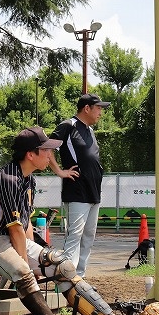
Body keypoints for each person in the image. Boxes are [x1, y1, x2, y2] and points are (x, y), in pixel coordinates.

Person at [0, 126, 141, 315]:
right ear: (30, 155)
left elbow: (24, 223)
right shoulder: (8, 178)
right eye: (46, 150)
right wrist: (28, 264)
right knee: (23, 272)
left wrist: (34, 256)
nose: (51, 155)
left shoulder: (28, 179)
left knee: (62, 265)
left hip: (11, 237)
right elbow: (14, 228)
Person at [48, 93, 108, 278]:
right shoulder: (68, 125)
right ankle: (67, 279)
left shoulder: (90, 130)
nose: (101, 112)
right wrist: (60, 171)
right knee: (74, 235)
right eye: (98, 108)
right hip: (76, 191)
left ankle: (79, 278)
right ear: (86, 108)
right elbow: (47, 148)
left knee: (88, 237)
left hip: (93, 191)